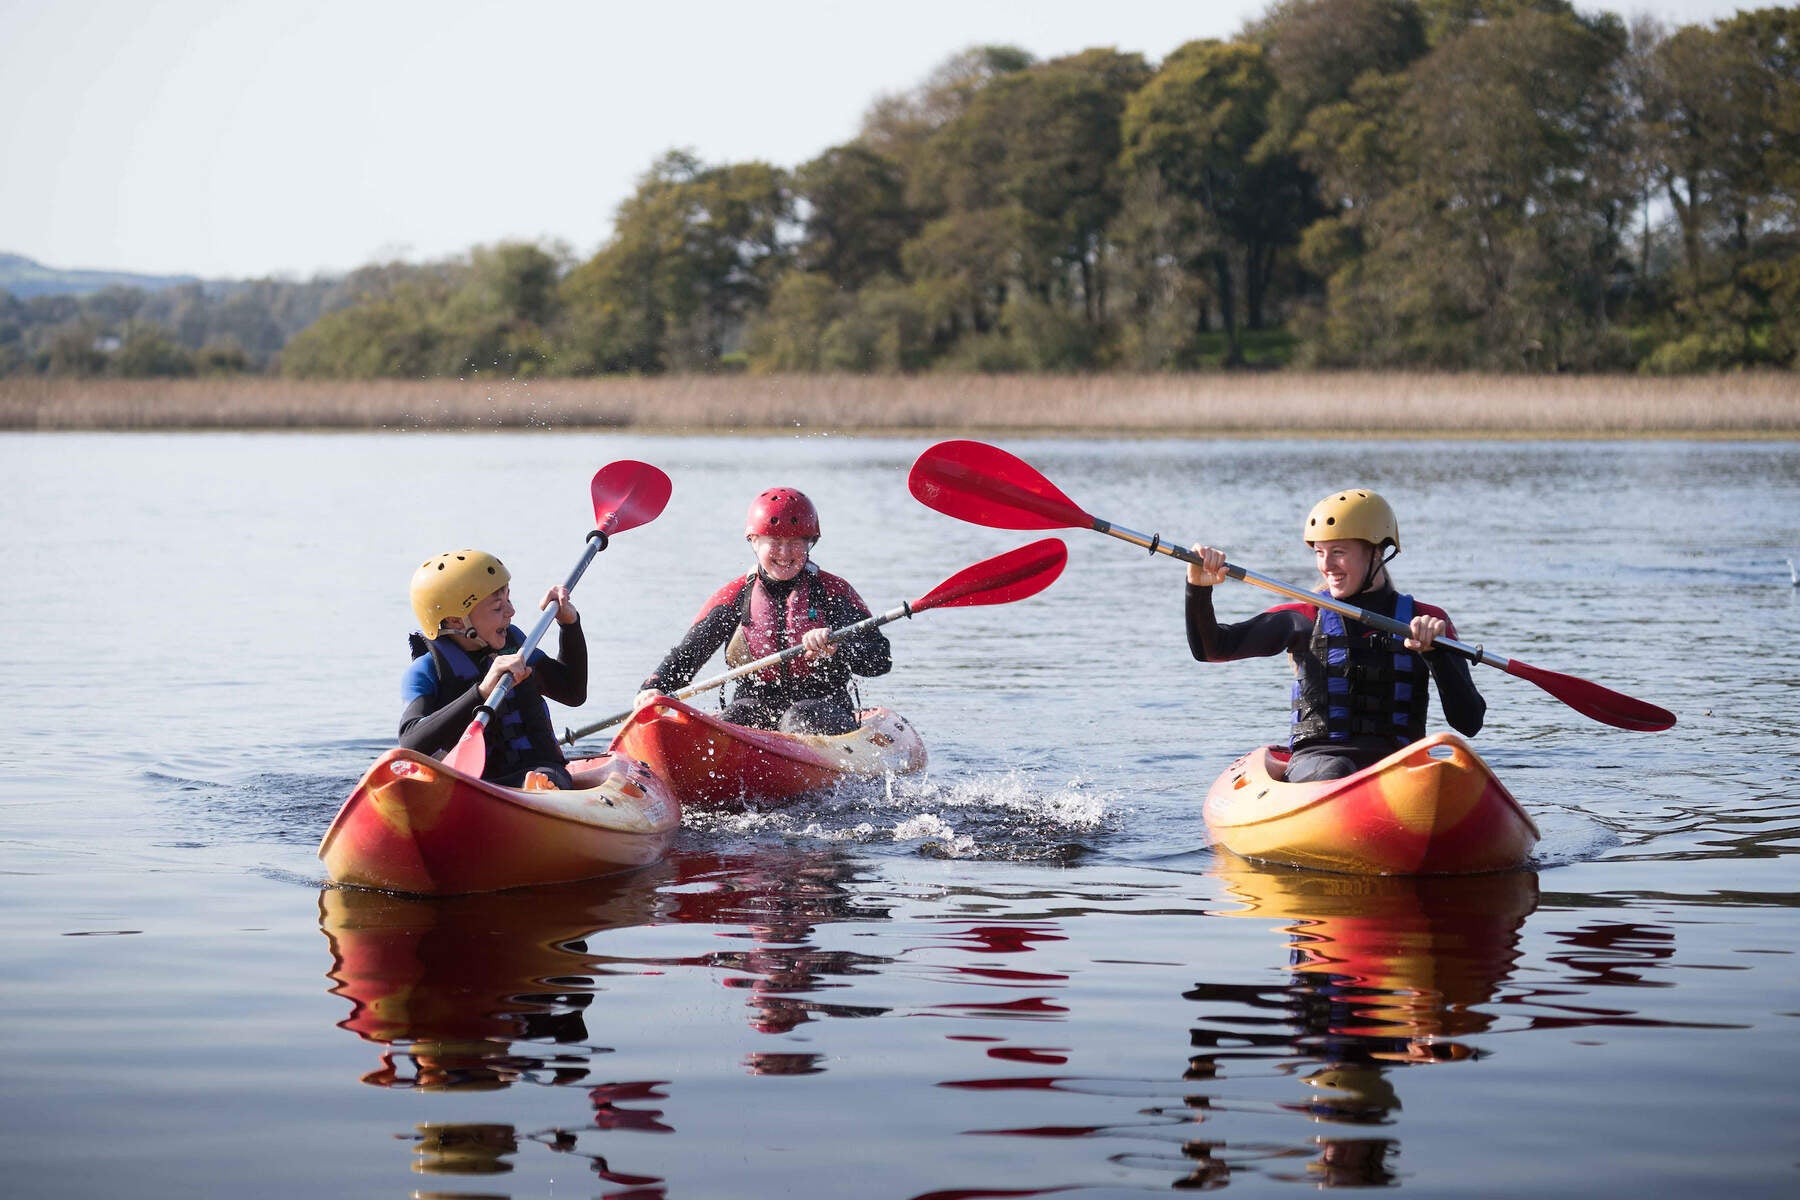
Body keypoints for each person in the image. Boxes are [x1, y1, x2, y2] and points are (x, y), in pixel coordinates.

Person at [1186, 489, 1484, 783]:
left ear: (1377, 552)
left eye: (1339, 552)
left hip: (1400, 766)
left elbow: (1468, 722)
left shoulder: (1428, 622)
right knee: (1338, 770)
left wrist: (1437, 654)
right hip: (1319, 763)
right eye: (1320, 553)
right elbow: (1212, 649)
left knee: (1430, 774)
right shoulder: (1303, 616)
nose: (1326, 566)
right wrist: (1199, 589)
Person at [634, 488, 890, 735]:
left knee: (799, 717)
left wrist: (838, 643)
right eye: (775, 542)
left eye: (795, 543)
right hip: (754, 703)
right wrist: (655, 687)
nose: (785, 553)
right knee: (737, 717)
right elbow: (687, 656)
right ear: (754, 541)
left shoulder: (834, 592)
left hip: (824, 706)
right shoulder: (733, 597)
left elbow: (880, 660)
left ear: (810, 543)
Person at [399, 549, 586, 787]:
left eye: (508, 599)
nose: (511, 611)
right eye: (498, 607)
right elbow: (410, 741)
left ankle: (535, 791)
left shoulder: (517, 649)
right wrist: (482, 692)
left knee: (551, 776)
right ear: (457, 620)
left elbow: (572, 693)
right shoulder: (427, 670)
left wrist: (569, 624)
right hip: (470, 785)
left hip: (539, 771)